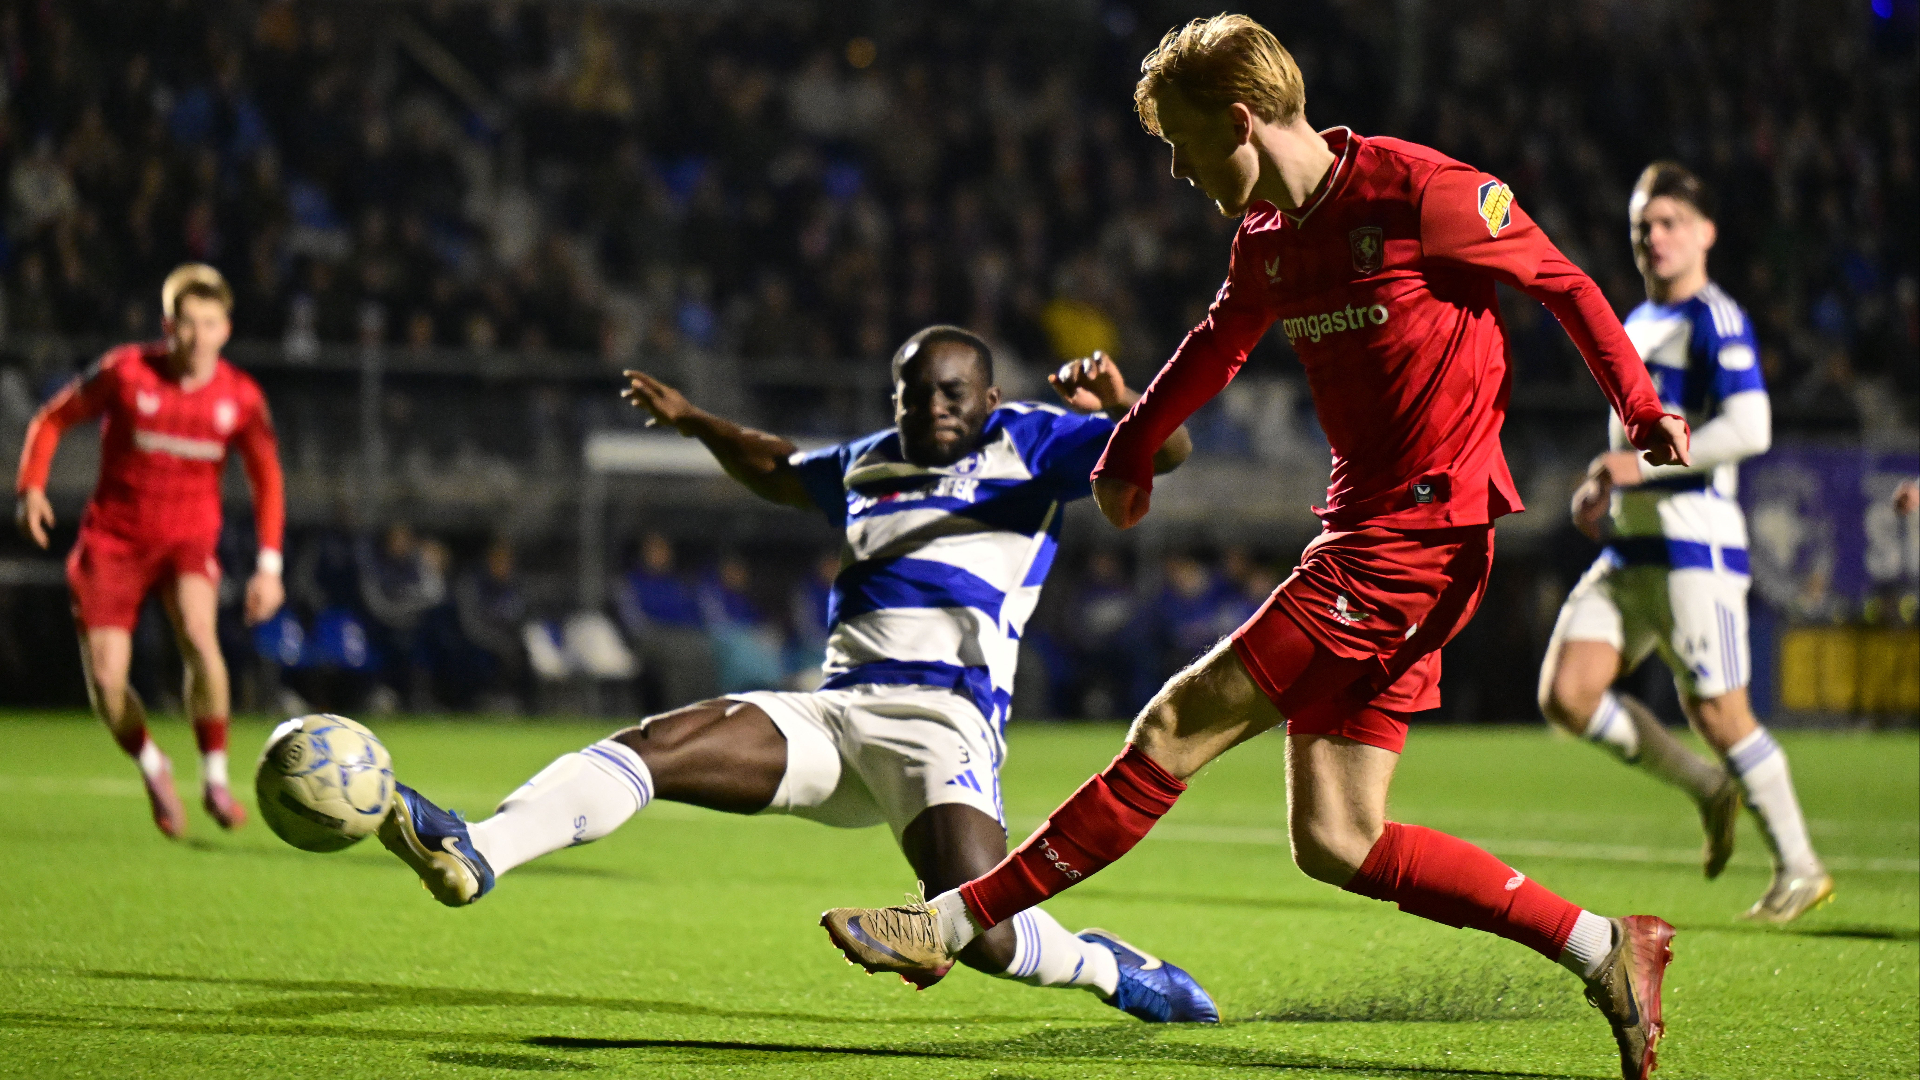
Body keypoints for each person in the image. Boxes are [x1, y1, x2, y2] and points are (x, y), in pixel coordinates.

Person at [818, 18, 1691, 1080]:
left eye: (1185, 147)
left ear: (1239, 121)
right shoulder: (1271, 238)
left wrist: (1641, 411)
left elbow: (1565, 284)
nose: (1181, 173)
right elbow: (1216, 344)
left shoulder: (1426, 195)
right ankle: (1608, 946)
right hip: (1373, 536)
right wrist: (1127, 454)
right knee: (1339, 838)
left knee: (1174, 724)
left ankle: (949, 927)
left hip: (1415, 538)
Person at [375, 325, 1217, 1023]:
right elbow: (778, 467)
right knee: (655, 747)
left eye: (952, 394)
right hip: (835, 713)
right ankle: (477, 849)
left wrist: (1117, 402)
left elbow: (1166, 447)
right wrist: (695, 421)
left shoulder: (1032, 439)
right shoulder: (868, 463)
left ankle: (1106, 968)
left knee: (987, 937)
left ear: (988, 399)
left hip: (944, 722)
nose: (933, 408)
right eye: (915, 394)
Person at [1538, 162, 1829, 923]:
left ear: (1705, 233)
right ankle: (1706, 787)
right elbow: (1631, 442)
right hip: (1631, 549)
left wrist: (1633, 468)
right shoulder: (1636, 324)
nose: (1654, 237)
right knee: (1567, 694)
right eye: (1643, 226)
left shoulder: (1714, 318)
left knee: (1722, 715)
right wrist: (1606, 485)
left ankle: (1800, 867)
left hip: (1694, 546)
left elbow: (1750, 428)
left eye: (1668, 222)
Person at [12, 263, 285, 838]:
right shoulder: (127, 372)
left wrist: (269, 565)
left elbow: (267, 478)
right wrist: (32, 486)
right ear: (167, 326)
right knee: (109, 683)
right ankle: (153, 764)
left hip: (188, 540)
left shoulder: (239, 396)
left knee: (199, 634)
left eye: (208, 323)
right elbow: (53, 418)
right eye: (185, 323)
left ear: (225, 329)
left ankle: (214, 776)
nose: (196, 336)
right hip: (113, 540)